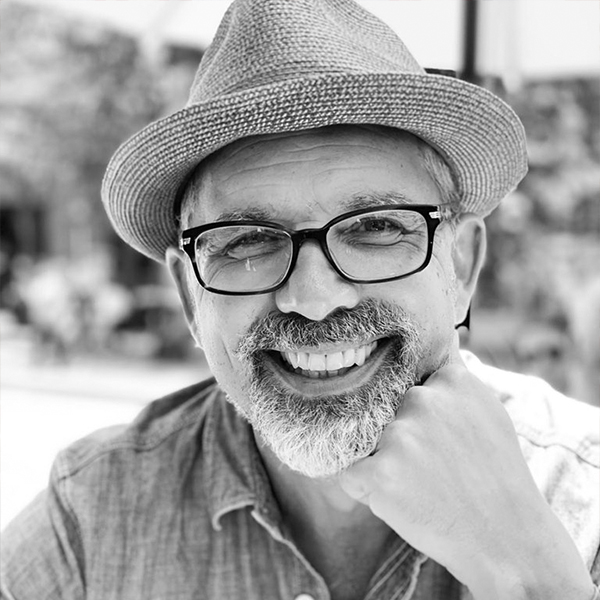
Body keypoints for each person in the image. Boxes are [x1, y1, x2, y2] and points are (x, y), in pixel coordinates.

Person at [2, 0, 598, 598]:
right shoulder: (93, 518)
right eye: (247, 243)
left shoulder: (584, 494)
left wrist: (527, 571)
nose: (313, 300)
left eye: (375, 228)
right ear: (189, 295)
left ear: (461, 263)